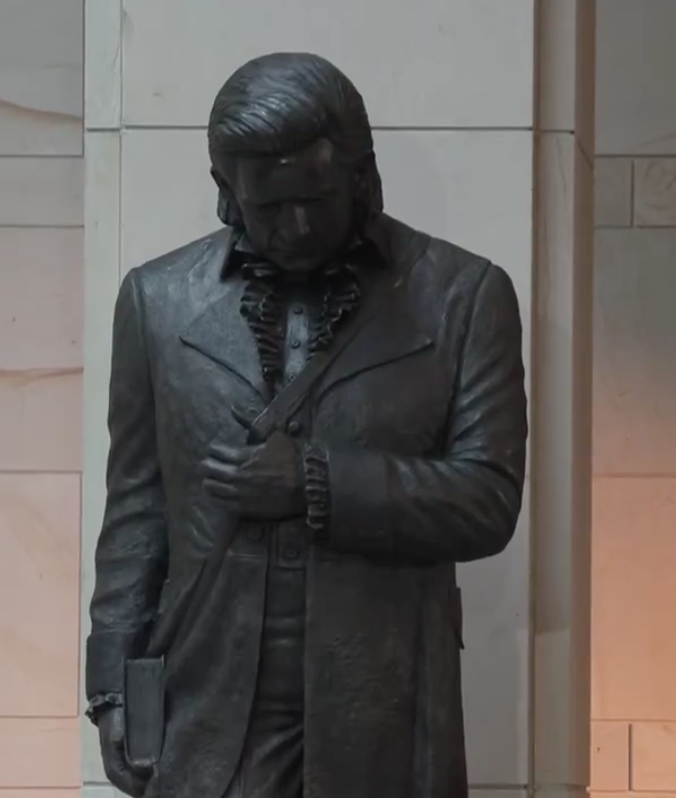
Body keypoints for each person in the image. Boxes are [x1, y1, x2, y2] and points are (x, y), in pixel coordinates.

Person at [85, 51, 528, 798]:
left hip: (383, 697)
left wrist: (317, 480)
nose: (294, 226)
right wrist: (112, 687)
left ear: (362, 176)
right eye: (268, 205)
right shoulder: (156, 302)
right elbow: (136, 515)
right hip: (205, 692)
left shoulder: (462, 296)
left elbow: (486, 500)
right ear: (227, 194)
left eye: (316, 199)